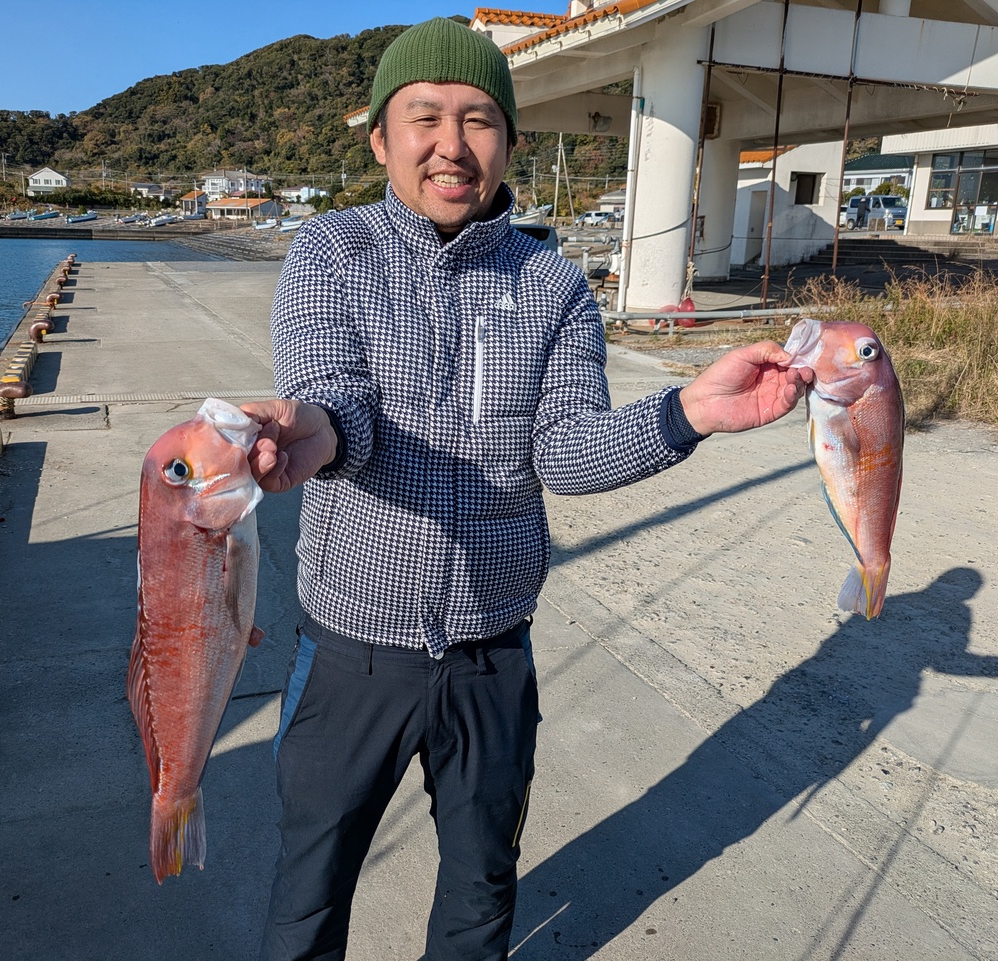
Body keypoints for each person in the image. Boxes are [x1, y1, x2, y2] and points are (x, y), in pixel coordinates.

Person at [239, 17, 812, 961]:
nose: (451, 144)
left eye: (479, 119)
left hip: (492, 655)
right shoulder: (331, 253)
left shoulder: (553, 284)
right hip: (352, 650)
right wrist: (322, 430)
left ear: (508, 141)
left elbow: (568, 453)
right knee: (308, 894)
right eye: (424, 117)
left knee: (481, 896)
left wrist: (688, 414)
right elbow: (337, 398)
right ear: (381, 139)